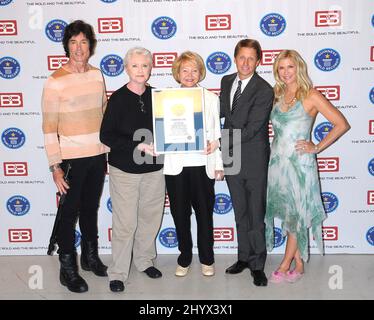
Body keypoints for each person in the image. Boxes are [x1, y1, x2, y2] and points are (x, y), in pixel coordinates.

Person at [265, 49, 350, 283]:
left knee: (297, 214)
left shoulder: (311, 95)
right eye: (281, 68)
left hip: (300, 166)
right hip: (277, 164)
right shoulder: (277, 94)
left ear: (299, 68)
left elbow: (341, 124)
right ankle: (299, 263)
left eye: (290, 66)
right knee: (288, 213)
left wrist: (317, 147)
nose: (285, 72)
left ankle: (284, 264)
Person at [41, 20, 109, 293]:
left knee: (91, 208)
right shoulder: (54, 81)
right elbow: (48, 127)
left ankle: (91, 258)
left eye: (83, 41)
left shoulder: (97, 74)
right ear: (66, 46)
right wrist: (55, 166)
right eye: (73, 42)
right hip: (70, 159)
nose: (79, 48)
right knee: (69, 213)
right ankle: (67, 267)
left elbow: (104, 112)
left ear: (90, 45)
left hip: (96, 155)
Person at [100, 47, 165, 293]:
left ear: (151, 68)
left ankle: (144, 261)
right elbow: (105, 135)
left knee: (150, 218)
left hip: (154, 169)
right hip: (124, 170)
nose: (140, 70)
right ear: (127, 69)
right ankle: (117, 272)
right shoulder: (117, 99)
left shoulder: (158, 96)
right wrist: (137, 146)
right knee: (125, 223)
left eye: (145, 66)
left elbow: (169, 127)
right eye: (135, 66)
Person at [164, 51, 224, 277]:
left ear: (201, 72)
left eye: (194, 70)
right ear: (177, 73)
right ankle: (185, 257)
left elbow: (216, 135)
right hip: (175, 166)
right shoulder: (166, 99)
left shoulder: (210, 98)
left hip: (202, 164)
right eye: (185, 70)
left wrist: (218, 163)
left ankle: (207, 259)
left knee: (204, 214)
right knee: (180, 215)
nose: (190, 75)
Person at [220, 39, 273, 287]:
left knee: (255, 213)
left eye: (252, 58)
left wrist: (219, 139)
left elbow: (252, 129)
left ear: (259, 61)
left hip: (253, 158)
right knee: (240, 211)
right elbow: (220, 114)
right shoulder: (226, 81)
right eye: (242, 57)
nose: (246, 63)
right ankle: (243, 257)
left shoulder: (264, 90)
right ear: (235, 58)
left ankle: (257, 264)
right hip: (231, 156)